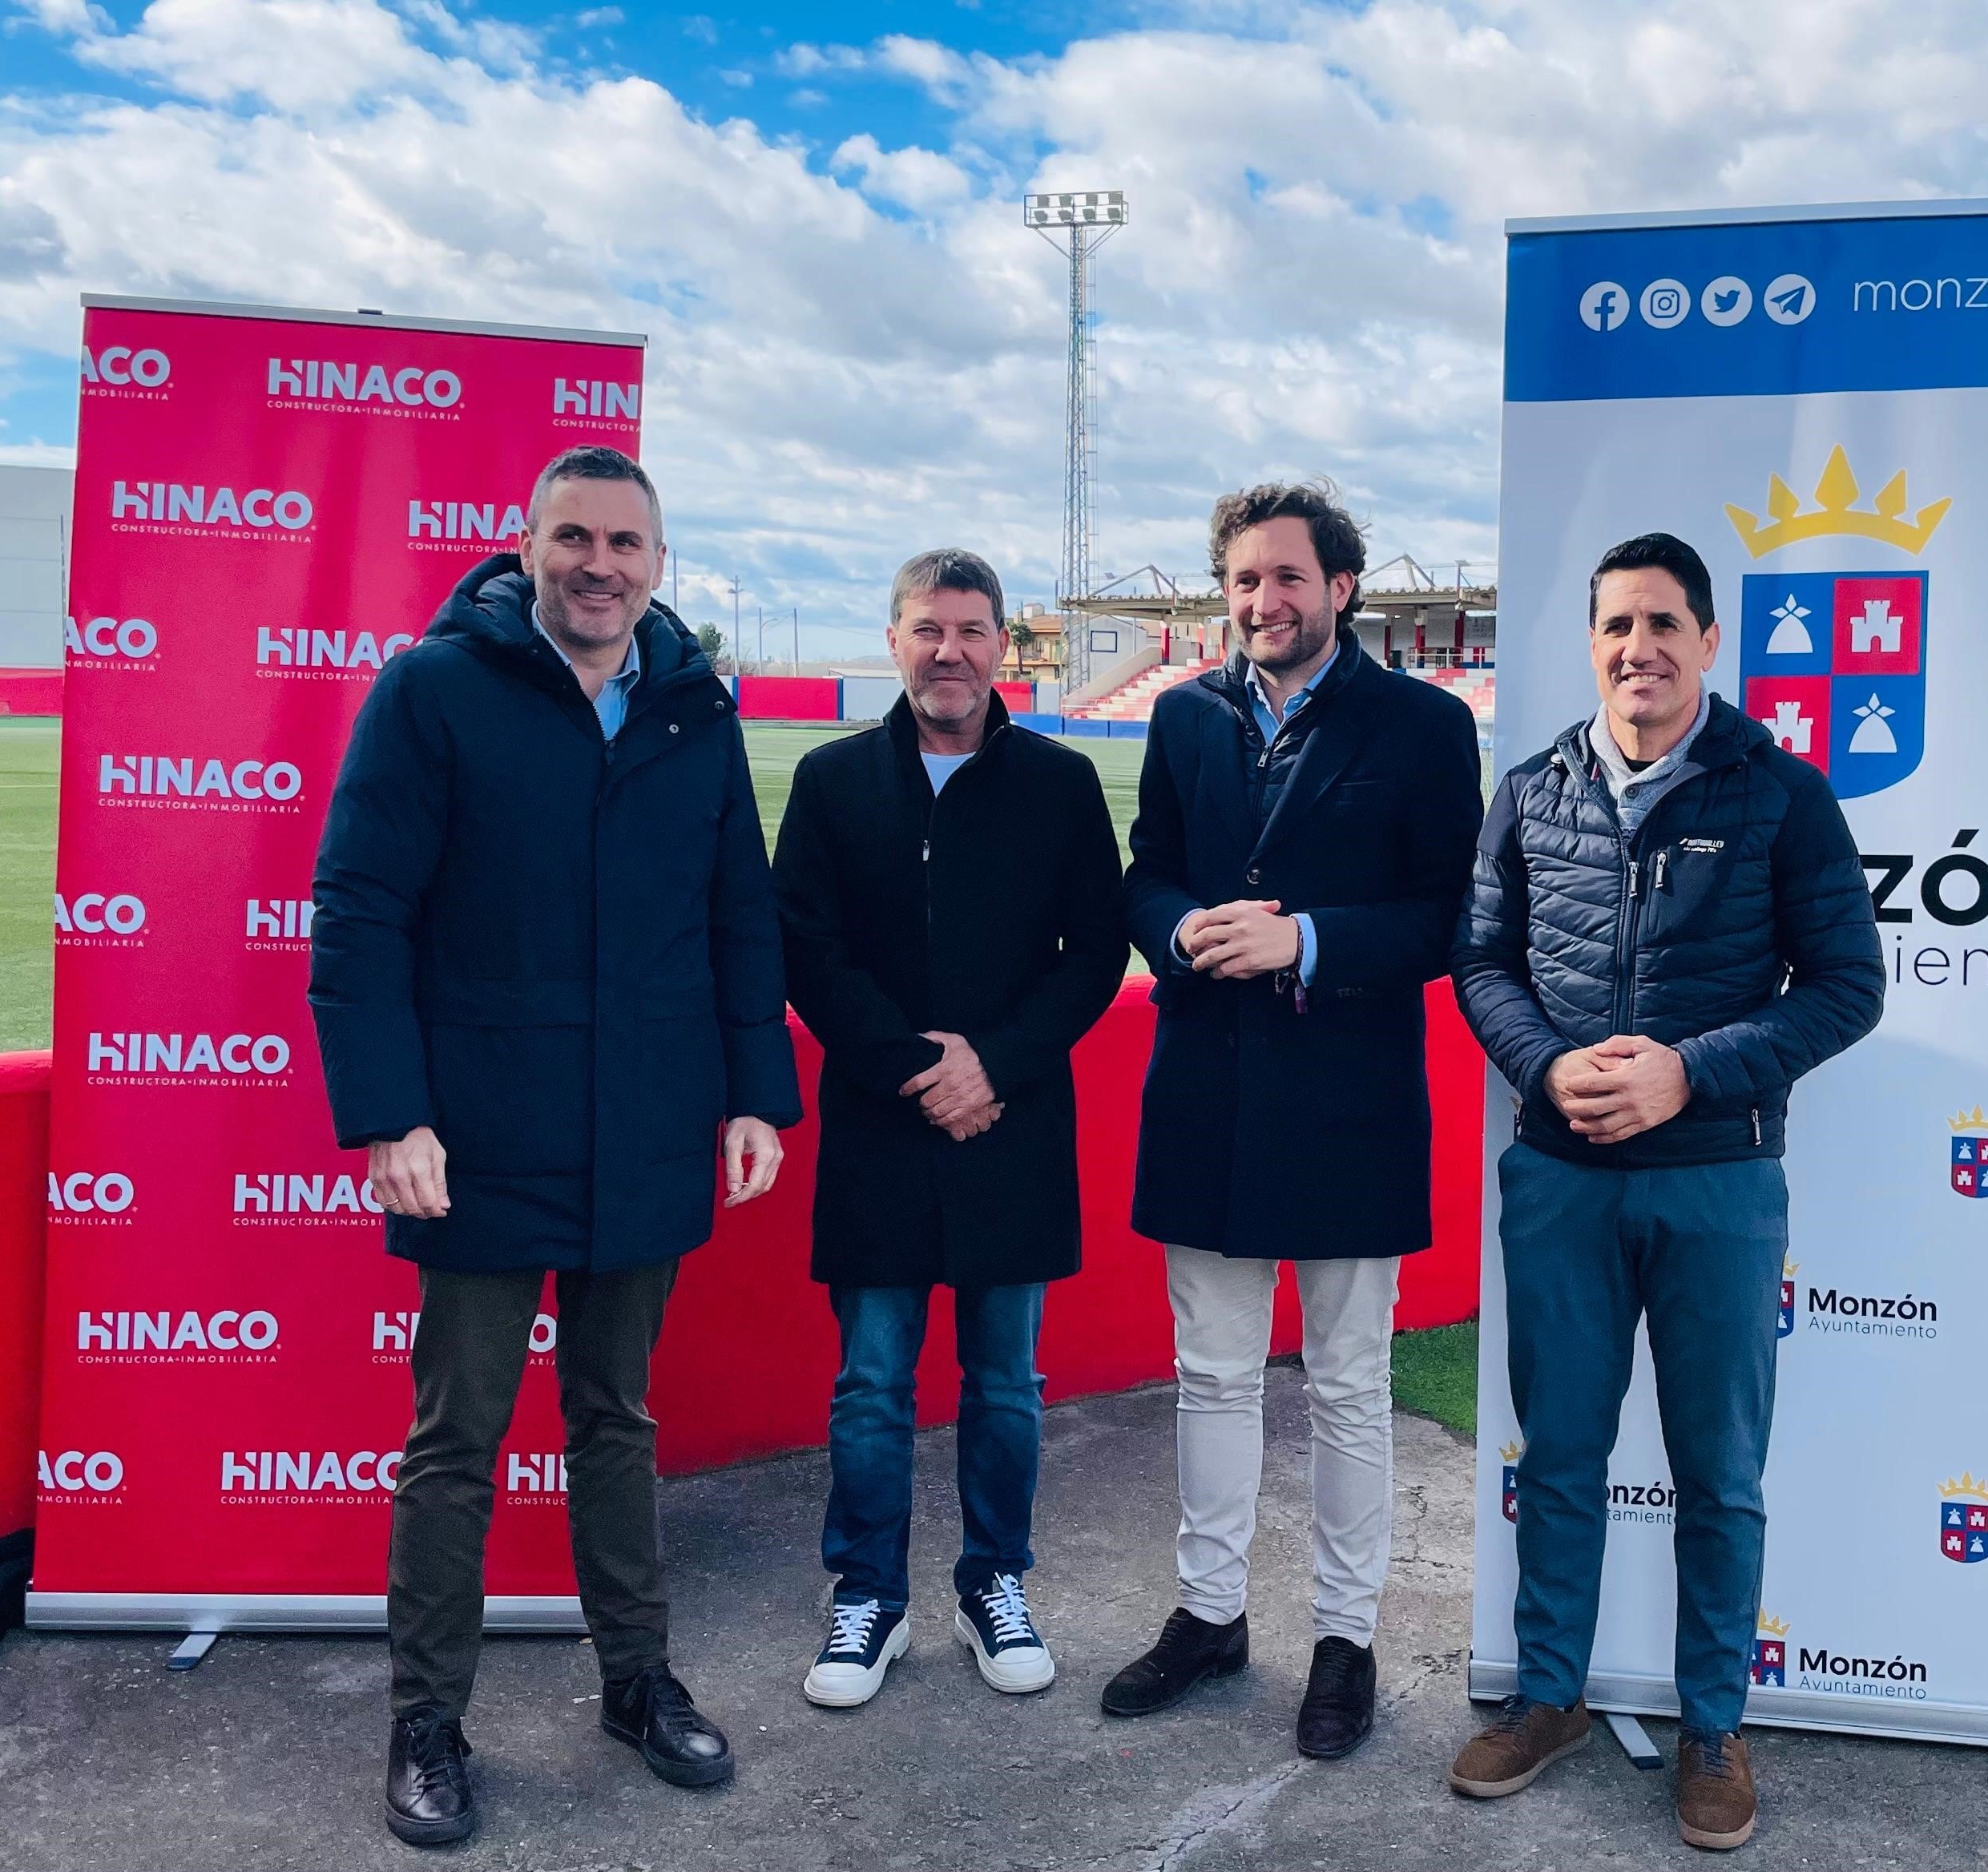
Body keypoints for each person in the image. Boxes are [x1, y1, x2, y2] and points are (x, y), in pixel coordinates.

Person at [308, 445, 800, 1849]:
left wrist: (755, 1094)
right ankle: (427, 1722)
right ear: (527, 548)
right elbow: (361, 910)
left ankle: (638, 1686)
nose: (600, 565)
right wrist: (389, 1114)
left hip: (642, 1131)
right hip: (475, 1138)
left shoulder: (695, 711)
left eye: (626, 545)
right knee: (456, 1440)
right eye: (573, 539)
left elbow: (736, 917)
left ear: (659, 565)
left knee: (619, 1424)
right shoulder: (434, 688)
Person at [1446, 533, 1884, 1850]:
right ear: (1591, 645)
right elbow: (1480, 964)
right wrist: (1550, 1062)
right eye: (1617, 627)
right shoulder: (1530, 791)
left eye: (1664, 626)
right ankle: (1548, 1699)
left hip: (1716, 1185)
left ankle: (1712, 1729)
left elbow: (1849, 988)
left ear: (1707, 644)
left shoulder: (1782, 794)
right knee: (1563, 1455)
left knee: (1719, 1473)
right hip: (1561, 1180)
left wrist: (1685, 1076)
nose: (1639, 649)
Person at [1102, 481, 1482, 1759]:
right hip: (1207, 1091)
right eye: (1246, 582)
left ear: (1343, 590)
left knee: (1348, 1385)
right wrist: (1177, 932)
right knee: (1208, 1374)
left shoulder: (1423, 726)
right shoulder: (1182, 716)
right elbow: (1147, 868)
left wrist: (1304, 938)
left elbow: (1448, 918)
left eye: (1288, 579)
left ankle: (1344, 1639)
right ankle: (1210, 1616)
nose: (1266, 601)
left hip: (1348, 1102)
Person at [774, 548, 1126, 1709]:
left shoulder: (1063, 785)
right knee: (871, 1384)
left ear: (1000, 648)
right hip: (884, 1125)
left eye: (972, 631)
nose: (951, 652)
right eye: (929, 629)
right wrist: (918, 1068)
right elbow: (807, 950)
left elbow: (1094, 956)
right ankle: (868, 1595)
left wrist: (997, 1066)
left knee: (1006, 1383)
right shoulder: (830, 782)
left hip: (1011, 1127)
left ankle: (995, 1583)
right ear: (894, 641)